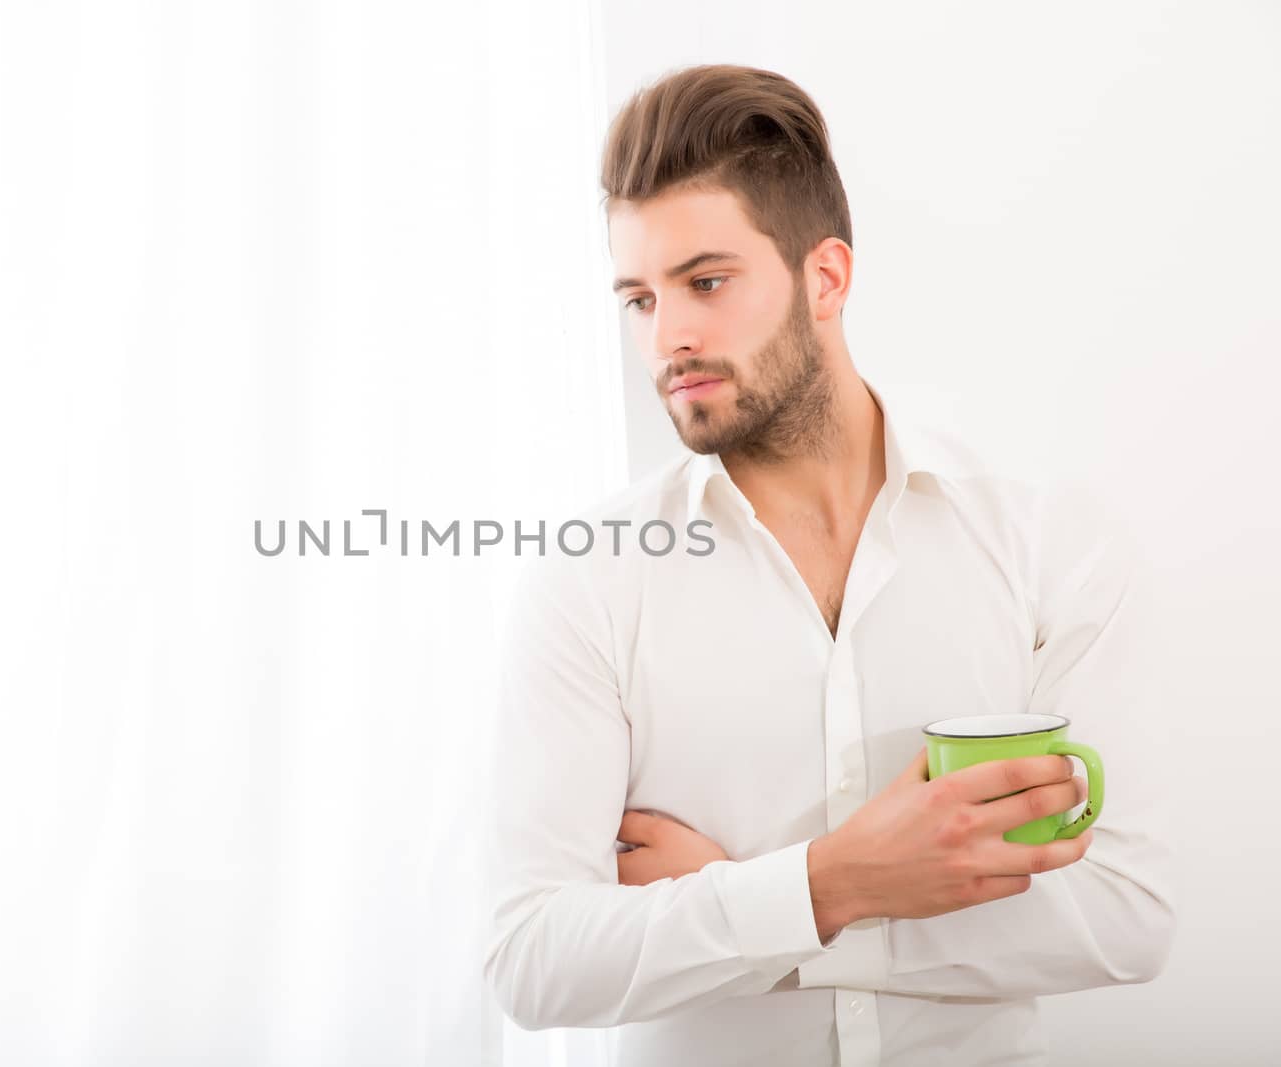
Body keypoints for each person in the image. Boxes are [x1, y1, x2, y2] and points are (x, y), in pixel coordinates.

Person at [481, 64, 1174, 1066]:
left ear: (826, 277)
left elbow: (1125, 914)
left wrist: (783, 902)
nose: (667, 334)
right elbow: (534, 956)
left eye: (705, 281)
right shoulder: (591, 580)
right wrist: (834, 881)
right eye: (637, 297)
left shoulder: (1050, 548)